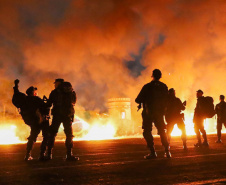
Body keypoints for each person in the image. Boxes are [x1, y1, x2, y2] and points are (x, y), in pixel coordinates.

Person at [135, 69, 171, 159]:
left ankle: (153, 152)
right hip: (159, 113)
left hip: (148, 113)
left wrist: (144, 101)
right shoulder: (163, 86)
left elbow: (137, 99)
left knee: (147, 131)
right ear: (160, 76)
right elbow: (167, 99)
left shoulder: (147, 86)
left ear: (152, 76)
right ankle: (167, 152)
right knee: (162, 131)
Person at [12, 79, 50, 161]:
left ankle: (27, 155)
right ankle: (42, 155)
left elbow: (16, 93)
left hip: (33, 122)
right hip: (42, 121)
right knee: (46, 137)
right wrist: (47, 103)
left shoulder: (24, 100)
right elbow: (46, 108)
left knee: (32, 137)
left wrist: (16, 85)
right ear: (34, 93)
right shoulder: (36, 99)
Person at [46, 79, 79, 161]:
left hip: (57, 115)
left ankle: (48, 154)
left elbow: (49, 104)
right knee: (69, 135)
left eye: (55, 83)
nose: (54, 85)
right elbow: (74, 102)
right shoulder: (71, 91)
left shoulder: (54, 92)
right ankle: (69, 154)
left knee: (52, 134)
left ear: (58, 83)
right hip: (67, 115)